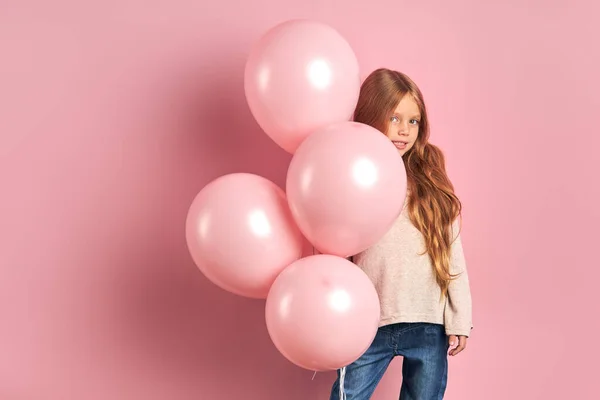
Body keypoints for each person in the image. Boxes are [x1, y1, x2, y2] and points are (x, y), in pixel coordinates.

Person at [329, 68, 473, 400]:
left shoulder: (430, 174)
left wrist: (459, 318)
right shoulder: (351, 172)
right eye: (395, 118)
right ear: (372, 116)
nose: (404, 130)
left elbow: (452, 250)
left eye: (414, 121)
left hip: (426, 321)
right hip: (369, 322)